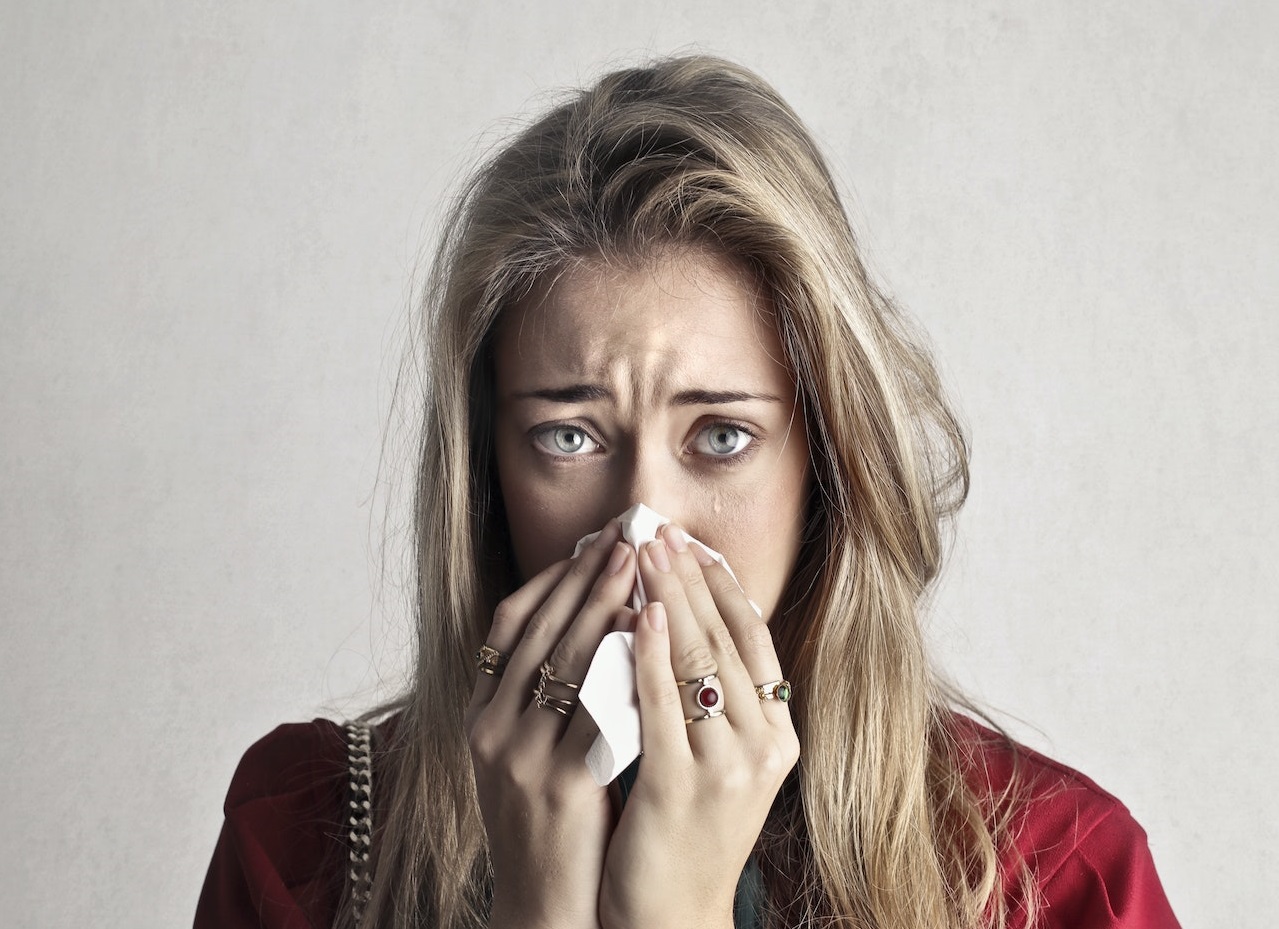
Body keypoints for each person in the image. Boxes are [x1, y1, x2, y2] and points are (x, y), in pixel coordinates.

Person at [195, 55, 1181, 929]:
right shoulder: (305, 838)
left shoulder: (1055, 874)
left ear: (827, 463)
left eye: (721, 436)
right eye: (569, 435)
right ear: (487, 474)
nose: (642, 520)